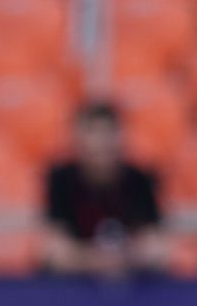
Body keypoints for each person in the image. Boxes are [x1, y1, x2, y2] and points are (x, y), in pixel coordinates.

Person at [40, 100, 171, 279]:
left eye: (108, 132)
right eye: (93, 132)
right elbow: (56, 251)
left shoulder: (141, 179)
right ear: (77, 138)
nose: (102, 141)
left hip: (134, 285)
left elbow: (155, 247)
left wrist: (120, 259)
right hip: (73, 286)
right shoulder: (60, 178)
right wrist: (98, 261)